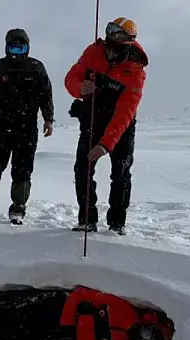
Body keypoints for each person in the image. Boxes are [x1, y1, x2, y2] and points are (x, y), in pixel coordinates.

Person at [64, 17, 148, 235]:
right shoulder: (93, 52)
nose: (109, 54)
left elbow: (125, 113)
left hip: (121, 127)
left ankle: (117, 225)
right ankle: (87, 219)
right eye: (108, 48)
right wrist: (80, 87)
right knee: (82, 168)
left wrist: (106, 144)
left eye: (115, 50)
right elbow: (71, 78)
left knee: (121, 172)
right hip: (92, 118)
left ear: (126, 47)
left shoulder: (135, 70)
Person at [0, 28, 55, 225]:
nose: (17, 52)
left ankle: (18, 209)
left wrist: (48, 119)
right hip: (1, 125)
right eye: (13, 47)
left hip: (27, 127)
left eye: (21, 47)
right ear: (7, 48)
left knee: (23, 169)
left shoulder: (36, 68)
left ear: (27, 48)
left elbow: (46, 95)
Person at [0, 284, 176, 340]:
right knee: (40, 302)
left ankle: (0, 312)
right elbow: (93, 295)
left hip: (65, 330)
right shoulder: (129, 311)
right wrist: (80, 306)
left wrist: (86, 319)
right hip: (65, 304)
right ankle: (2, 302)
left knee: (13, 334)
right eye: (148, 334)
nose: (142, 338)